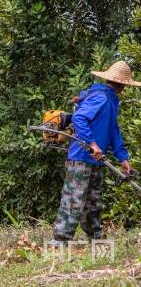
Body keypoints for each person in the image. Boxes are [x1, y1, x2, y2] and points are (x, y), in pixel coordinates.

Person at [52, 61, 137, 242]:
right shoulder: (101, 97)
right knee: (73, 200)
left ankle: (96, 238)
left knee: (93, 202)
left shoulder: (111, 99)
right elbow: (79, 118)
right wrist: (93, 144)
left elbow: (113, 130)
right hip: (82, 157)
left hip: (96, 158)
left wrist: (123, 158)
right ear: (122, 84)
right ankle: (59, 241)